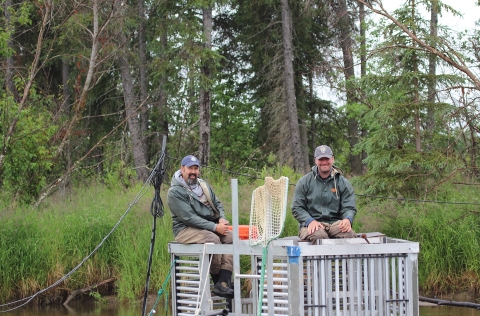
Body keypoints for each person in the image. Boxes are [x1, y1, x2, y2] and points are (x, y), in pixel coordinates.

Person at [167, 155, 234, 299]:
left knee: (231, 238)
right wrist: (215, 227)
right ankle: (217, 281)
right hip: (185, 229)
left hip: (209, 226)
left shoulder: (203, 185)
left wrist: (221, 218)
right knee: (213, 239)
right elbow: (189, 218)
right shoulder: (175, 192)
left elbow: (218, 203)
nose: (193, 172)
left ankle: (224, 280)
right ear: (182, 169)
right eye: (190, 168)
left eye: (196, 168)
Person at [292, 145, 357, 244]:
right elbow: (297, 207)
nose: (324, 162)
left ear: (333, 159)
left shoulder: (343, 182)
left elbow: (350, 207)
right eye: (321, 159)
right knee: (319, 236)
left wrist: (348, 219)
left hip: (335, 225)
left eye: (327, 159)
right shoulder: (304, 182)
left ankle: (342, 260)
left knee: (349, 234)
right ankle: (319, 260)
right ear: (315, 160)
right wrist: (310, 221)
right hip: (311, 225)